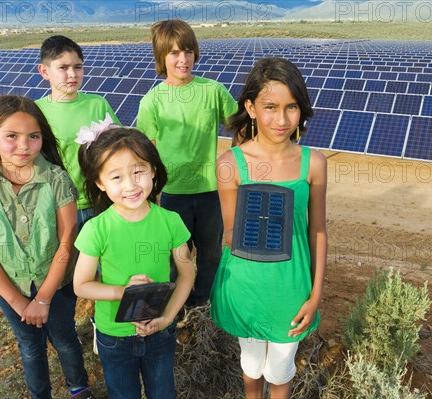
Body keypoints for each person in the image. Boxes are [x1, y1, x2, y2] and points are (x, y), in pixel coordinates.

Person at [210, 57, 328, 399]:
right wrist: (260, 220)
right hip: (245, 285)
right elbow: (230, 233)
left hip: (290, 288)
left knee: (280, 367)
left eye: (292, 107)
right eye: (270, 107)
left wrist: (316, 293)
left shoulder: (314, 163)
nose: (281, 119)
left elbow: (317, 231)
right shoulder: (230, 165)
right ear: (250, 107)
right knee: (250, 363)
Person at [0, 95, 93, 399]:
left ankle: (79, 388)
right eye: (12, 136)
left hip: (56, 284)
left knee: (63, 337)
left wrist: (44, 298)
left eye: (33, 137)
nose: (24, 145)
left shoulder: (57, 180)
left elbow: (66, 243)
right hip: (11, 287)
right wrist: (19, 302)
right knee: (30, 345)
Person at [73, 125, 195, 399]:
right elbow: (81, 285)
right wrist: (122, 292)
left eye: (138, 171)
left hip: (159, 332)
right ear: (101, 183)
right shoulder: (96, 229)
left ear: (153, 169)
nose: (130, 185)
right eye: (117, 176)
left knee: (163, 393)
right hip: (114, 336)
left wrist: (167, 318)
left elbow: (187, 274)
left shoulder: (170, 222)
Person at [136, 19, 237, 307]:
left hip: (210, 192)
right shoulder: (152, 101)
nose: (183, 59)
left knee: (211, 254)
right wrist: (150, 196)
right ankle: (174, 309)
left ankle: (205, 307)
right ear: (162, 57)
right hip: (172, 195)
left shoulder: (214, 91)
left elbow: (240, 127)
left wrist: (233, 161)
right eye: (175, 53)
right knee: (175, 256)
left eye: (188, 51)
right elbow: (147, 153)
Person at [36, 34, 120, 231]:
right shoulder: (35, 112)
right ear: (44, 71)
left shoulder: (98, 104)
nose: (72, 74)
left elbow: (118, 149)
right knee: (67, 260)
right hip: (57, 206)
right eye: (63, 68)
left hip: (99, 203)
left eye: (78, 67)